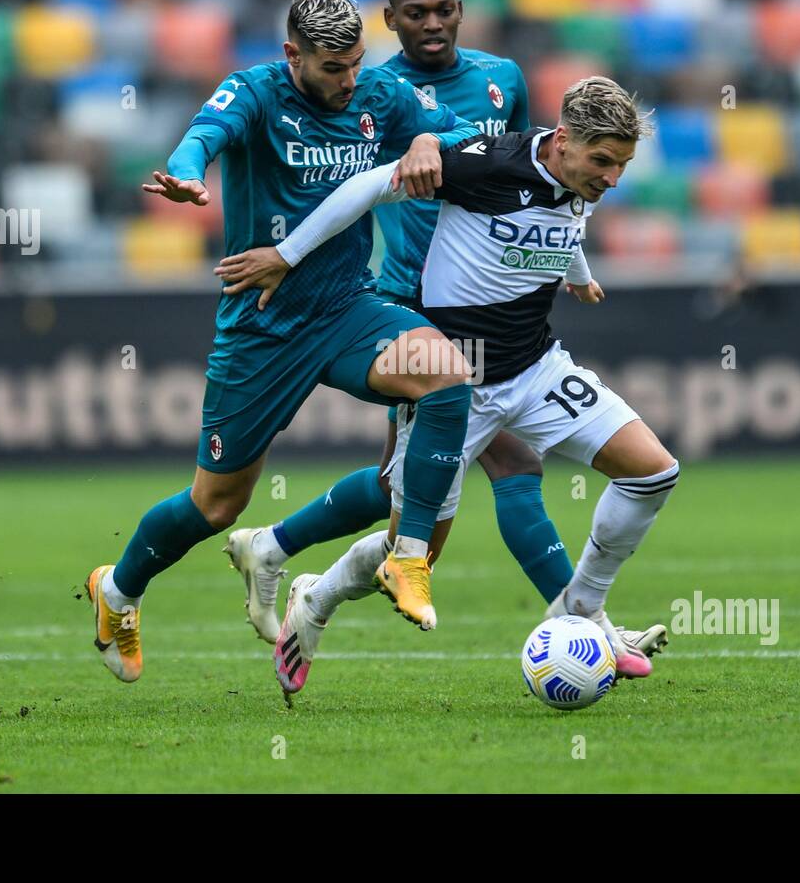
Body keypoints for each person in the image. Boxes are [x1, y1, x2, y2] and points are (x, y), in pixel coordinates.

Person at [217, 77, 677, 696]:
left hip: (537, 368)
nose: (613, 178)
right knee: (411, 557)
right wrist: (288, 254)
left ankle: (581, 611)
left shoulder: (579, 178)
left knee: (652, 471)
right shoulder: (487, 164)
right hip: (454, 381)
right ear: (562, 140)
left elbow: (563, 222)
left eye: (622, 165)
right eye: (603, 162)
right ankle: (315, 598)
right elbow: (367, 186)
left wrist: (579, 274)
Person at [83, 0, 484, 683]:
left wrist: (425, 137)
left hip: (347, 309)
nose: (348, 80)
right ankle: (117, 590)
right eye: (333, 68)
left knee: (447, 375)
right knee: (216, 504)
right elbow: (203, 136)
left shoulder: (381, 93)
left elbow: (462, 137)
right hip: (263, 326)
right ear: (293, 55)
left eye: (355, 63)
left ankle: (409, 557)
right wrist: (185, 173)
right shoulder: (255, 93)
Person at [223, 0, 588, 644]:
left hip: (485, 302)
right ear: (388, 19)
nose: (432, 23)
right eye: (414, 13)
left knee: (418, 481)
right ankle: (584, 622)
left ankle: (274, 548)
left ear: (460, 10)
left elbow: (534, 180)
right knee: (479, 467)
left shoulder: (500, 79)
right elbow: (343, 193)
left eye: (444, 9)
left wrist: (567, 263)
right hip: (410, 302)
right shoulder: (372, 94)